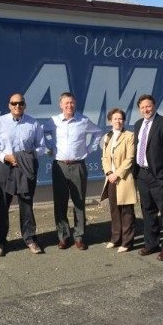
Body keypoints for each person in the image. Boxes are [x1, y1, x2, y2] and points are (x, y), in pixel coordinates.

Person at [0, 93, 46, 256]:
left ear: (24, 105)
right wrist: (4, 157)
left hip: (25, 168)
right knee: (3, 206)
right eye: (14, 103)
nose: (17, 106)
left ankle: (30, 239)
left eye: (20, 103)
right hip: (5, 167)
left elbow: (41, 147)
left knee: (26, 205)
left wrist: (27, 157)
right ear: (9, 105)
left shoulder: (33, 123)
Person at [46, 92, 102, 250]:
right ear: (60, 105)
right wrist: (49, 148)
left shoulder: (83, 120)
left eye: (71, 103)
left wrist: (89, 149)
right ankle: (63, 237)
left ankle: (79, 236)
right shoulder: (53, 121)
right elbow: (41, 133)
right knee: (60, 202)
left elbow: (98, 132)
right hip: (60, 166)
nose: (69, 105)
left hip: (78, 166)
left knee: (79, 202)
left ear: (75, 104)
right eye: (66, 103)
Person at [133, 94, 163, 261]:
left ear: (154, 106)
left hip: (160, 177)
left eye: (148, 106)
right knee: (148, 213)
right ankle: (152, 244)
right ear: (139, 109)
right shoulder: (138, 124)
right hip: (142, 175)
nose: (146, 109)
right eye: (142, 107)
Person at [100, 108, 136, 253]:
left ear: (124, 121)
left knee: (127, 212)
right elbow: (104, 157)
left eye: (120, 118)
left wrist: (117, 174)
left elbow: (130, 158)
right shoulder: (107, 136)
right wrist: (109, 173)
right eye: (115, 119)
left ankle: (127, 242)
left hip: (124, 179)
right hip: (110, 179)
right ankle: (115, 238)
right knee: (114, 210)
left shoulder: (129, 135)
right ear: (110, 121)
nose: (118, 121)